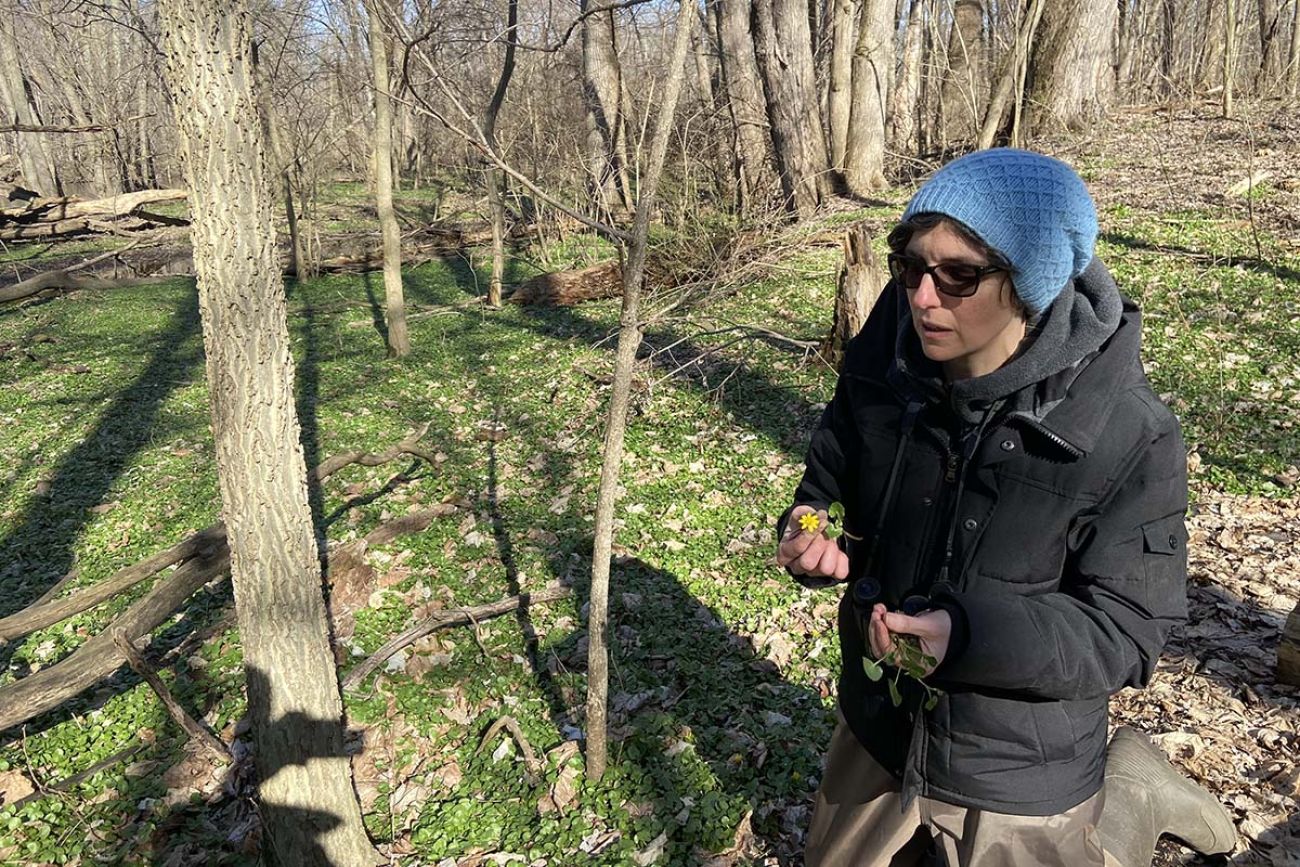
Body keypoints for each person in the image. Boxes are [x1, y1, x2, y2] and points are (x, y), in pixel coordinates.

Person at [775, 149, 1236, 867]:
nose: (923, 296)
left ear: (1029, 280)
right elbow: (826, 476)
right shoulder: (885, 360)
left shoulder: (1125, 429)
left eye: (958, 274)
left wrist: (967, 634)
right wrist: (806, 530)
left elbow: (1128, 628)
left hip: (1020, 774)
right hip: (877, 732)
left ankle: (1133, 796)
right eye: (910, 264)